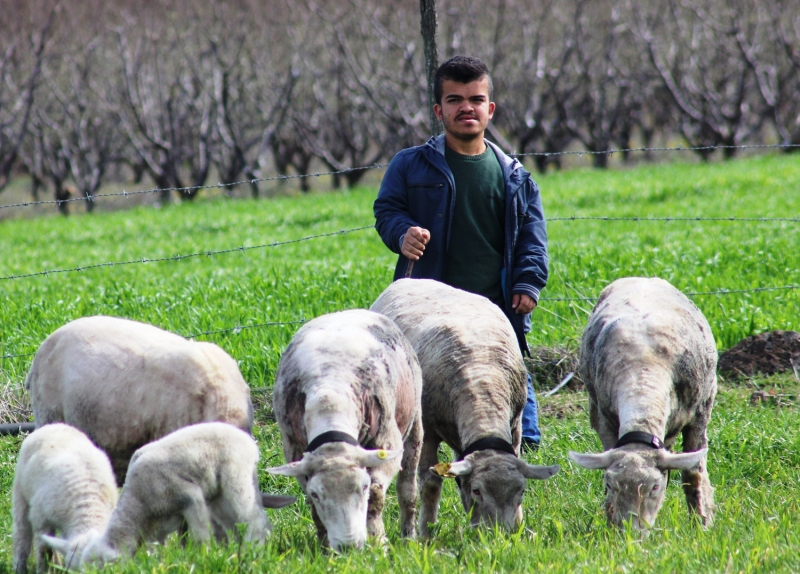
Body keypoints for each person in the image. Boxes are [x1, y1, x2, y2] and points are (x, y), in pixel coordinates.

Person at [373, 55, 548, 448]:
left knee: (509, 370)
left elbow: (532, 238)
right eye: (454, 100)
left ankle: (520, 448)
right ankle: (415, 445)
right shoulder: (410, 165)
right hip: (428, 306)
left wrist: (528, 283)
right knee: (419, 377)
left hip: (496, 302)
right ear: (439, 111)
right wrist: (402, 234)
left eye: (475, 98)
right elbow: (386, 211)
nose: (466, 107)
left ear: (490, 109)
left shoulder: (516, 177)